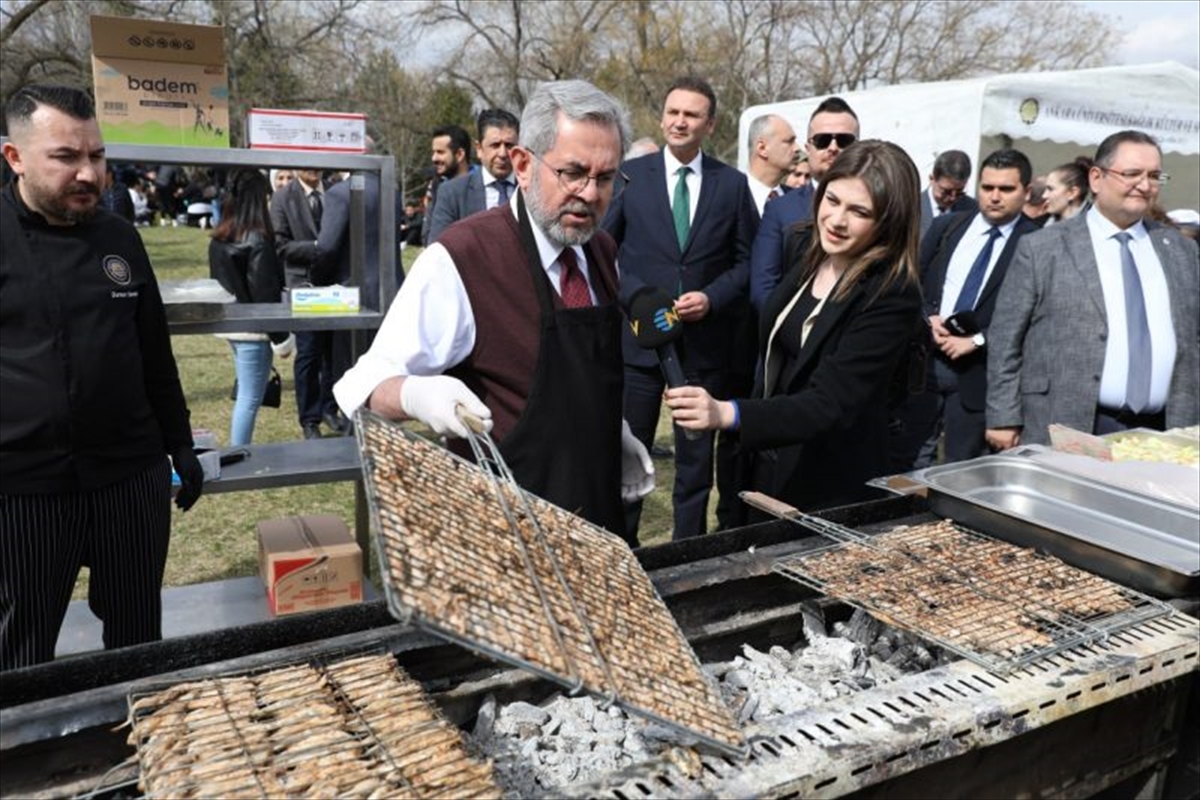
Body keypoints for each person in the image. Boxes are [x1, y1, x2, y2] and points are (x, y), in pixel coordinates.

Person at [333, 80, 653, 547]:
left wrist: (610, 429)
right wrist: (416, 394)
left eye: (605, 179)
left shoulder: (600, 250)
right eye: (573, 173)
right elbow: (360, 387)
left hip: (595, 522)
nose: (589, 193)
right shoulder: (463, 256)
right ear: (523, 164)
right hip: (504, 531)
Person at [0, 85, 203, 670]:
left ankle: (144, 747)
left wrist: (180, 443)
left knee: (138, 640)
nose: (88, 173)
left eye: (97, 155)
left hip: (130, 477)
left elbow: (153, 353)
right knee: (22, 654)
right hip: (24, 488)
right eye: (66, 157)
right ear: (14, 157)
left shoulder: (119, 238)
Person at [665, 140, 923, 515]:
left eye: (859, 211)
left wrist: (727, 414)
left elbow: (829, 403)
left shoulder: (891, 292)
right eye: (832, 200)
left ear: (889, 221)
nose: (836, 220)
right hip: (765, 461)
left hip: (824, 483)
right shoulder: (809, 250)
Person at [603, 76, 757, 541]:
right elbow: (603, 248)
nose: (679, 122)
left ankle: (686, 552)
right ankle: (623, 549)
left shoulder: (731, 185)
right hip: (640, 344)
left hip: (702, 349)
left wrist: (712, 297)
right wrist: (637, 299)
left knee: (694, 467)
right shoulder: (632, 176)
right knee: (630, 454)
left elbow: (748, 260)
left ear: (709, 124)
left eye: (691, 114)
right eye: (673, 112)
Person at [986, 130, 1199, 449]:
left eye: (1154, 176)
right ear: (1096, 178)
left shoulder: (1181, 251)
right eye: (1132, 174)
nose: (1144, 185)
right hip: (1071, 423)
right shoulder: (1044, 248)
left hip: (1163, 430)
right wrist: (1003, 416)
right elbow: (1006, 338)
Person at [908, 149, 1039, 467]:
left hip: (981, 377)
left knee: (961, 468)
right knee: (908, 459)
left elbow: (1035, 321)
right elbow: (913, 283)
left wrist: (978, 341)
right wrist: (928, 317)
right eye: (987, 187)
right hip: (926, 366)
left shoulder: (1038, 243)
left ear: (1026, 191)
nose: (994, 197)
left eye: (1006, 189)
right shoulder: (948, 227)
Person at [209, 170, 295, 446]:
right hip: (254, 330)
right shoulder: (257, 239)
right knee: (249, 397)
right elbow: (265, 294)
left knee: (247, 394)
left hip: (232, 324)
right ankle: (240, 451)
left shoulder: (220, 237)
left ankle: (240, 449)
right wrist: (282, 340)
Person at [750, 97, 859, 313]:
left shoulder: (881, 206)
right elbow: (763, 291)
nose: (833, 147)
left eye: (844, 140)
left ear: (859, 145)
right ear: (808, 147)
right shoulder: (780, 209)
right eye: (823, 140)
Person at [270, 167, 341, 439]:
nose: (313, 169)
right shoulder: (283, 198)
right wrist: (318, 246)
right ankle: (309, 419)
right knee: (309, 353)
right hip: (304, 286)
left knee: (334, 352)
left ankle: (330, 408)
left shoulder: (336, 192)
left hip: (337, 286)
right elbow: (281, 247)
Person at [427, 108, 520, 244]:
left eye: (509, 145)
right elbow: (438, 251)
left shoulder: (533, 190)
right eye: (495, 145)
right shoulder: (453, 193)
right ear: (479, 149)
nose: (502, 154)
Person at [420, 124, 471, 245]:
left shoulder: (482, 188)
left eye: (440, 152)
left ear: (459, 155)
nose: (434, 158)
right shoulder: (436, 186)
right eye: (433, 152)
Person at [744, 114, 800, 215]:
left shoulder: (800, 201)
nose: (797, 149)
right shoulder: (729, 196)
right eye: (789, 142)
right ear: (762, 148)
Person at [919, 149, 977, 238]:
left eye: (959, 192)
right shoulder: (911, 208)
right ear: (932, 179)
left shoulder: (973, 210)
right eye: (946, 192)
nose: (953, 198)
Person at [1042, 157, 1091, 224]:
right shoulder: (1045, 222)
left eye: (1050, 189)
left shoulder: (1093, 225)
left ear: (1072, 193)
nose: (1044, 195)